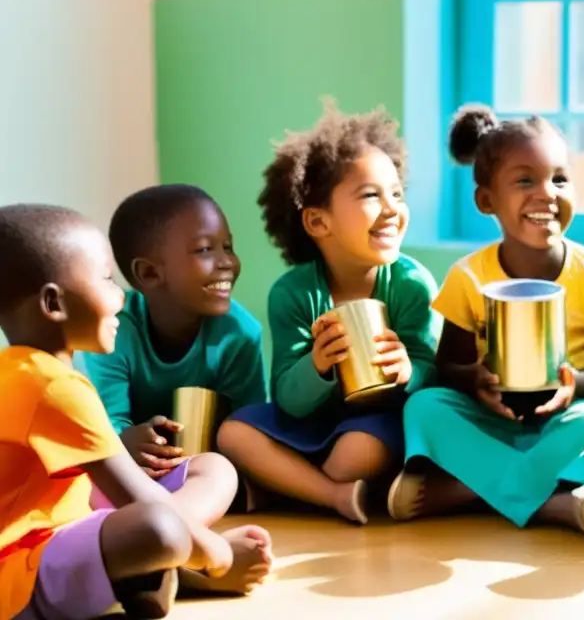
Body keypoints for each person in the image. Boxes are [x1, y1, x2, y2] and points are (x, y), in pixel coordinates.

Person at [0, 204, 271, 620]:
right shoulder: (52, 386)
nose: (121, 295)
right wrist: (219, 557)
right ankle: (177, 563)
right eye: (107, 279)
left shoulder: (28, 369)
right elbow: (141, 502)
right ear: (53, 302)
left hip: (67, 518)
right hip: (17, 570)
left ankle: (158, 565)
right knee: (156, 528)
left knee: (214, 469)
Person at [387, 105, 584, 540]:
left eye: (559, 179)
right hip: (492, 422)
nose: (548, 193)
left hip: (565, 419)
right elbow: (448, 367)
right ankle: (556, 504)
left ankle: (469, 488)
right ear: (487, 200)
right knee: (424, 407)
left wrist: (575, 384)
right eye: (526, 181)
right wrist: (476, 381)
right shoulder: (468, 276)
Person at [217, 102, 440, 524]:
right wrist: (317, 366)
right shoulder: (293, 293)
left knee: (353, 456)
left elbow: (436, 373)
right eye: (372, 195)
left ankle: (293, 486)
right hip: (310, 422)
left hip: (377, 419)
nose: (393, 209)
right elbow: (286, 397)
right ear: (319, 223)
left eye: (397, 193)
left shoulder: (413, 285)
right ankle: (332, 496)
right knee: (232, 432)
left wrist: (410, 371)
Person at [79, 185, 265, 518]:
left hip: (199, 470)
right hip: (126, 472)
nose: (227, 262)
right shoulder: (112, 328)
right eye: (205, 249)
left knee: (222, 473)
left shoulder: (240, 334)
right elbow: (105, 426)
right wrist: (128, 441)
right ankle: (163, 528)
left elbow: (251, 424)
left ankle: (170, 528)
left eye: (228, 247)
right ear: (149, 273)